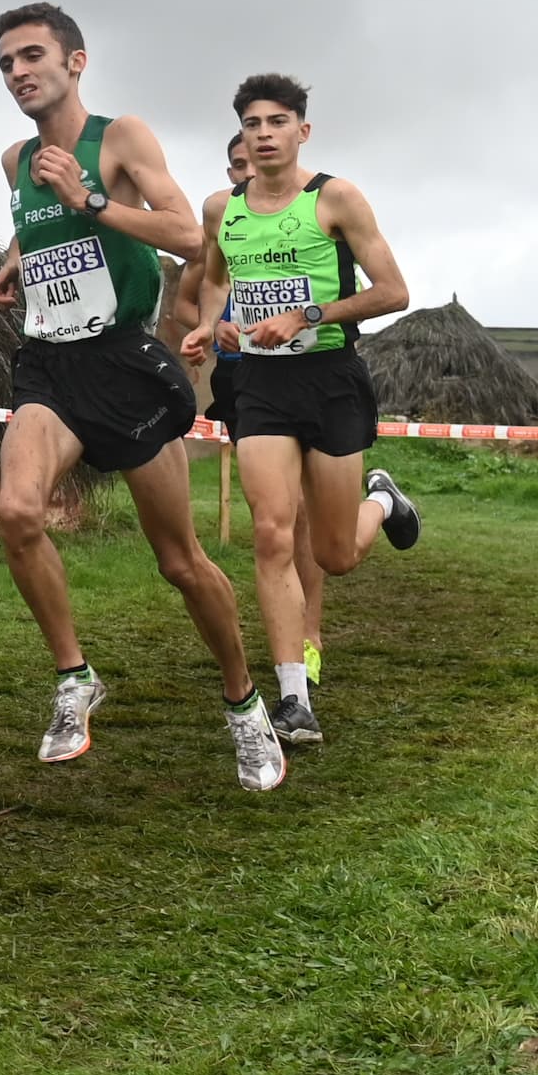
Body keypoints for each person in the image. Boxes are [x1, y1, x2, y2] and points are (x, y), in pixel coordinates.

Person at [0, 7, 272, 789]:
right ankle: (74, 677)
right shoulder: (15, 159)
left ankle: (244, 703)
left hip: (122, 362)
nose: (17, 72)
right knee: (16, 512)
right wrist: (14, 262)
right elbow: (37, 226)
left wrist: (90, 200)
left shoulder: (120, 139)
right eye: (6, 62)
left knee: (179, 560)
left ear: (76, 61)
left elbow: (188, 235)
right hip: (49, 365)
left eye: (32, 55)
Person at [183, 73, 423, 751]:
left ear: (301, 132)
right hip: (261, 384)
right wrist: (213, 325)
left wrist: (306, 314)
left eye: (277, 121)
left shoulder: (335, 198)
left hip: (331, 379)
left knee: (336, 553)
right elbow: (216, 278)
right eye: (252, 122)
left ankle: (383, 500)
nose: (264, 134)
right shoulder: (219, 208)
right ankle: (294, 700)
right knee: (272, 533)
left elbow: (394, 291)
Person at [175, 130, 332, 687]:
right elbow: (191, 292)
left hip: (309, 373)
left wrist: (306, 317)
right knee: (275, 518)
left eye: (253, 164)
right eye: (237, 166)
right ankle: (293, 645)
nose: (247, 174)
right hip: (245, 380)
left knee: (311, 517)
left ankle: (310, 630)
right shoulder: (221, 226)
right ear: (230, 172)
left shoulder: (303, 217)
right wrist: (207, 325)